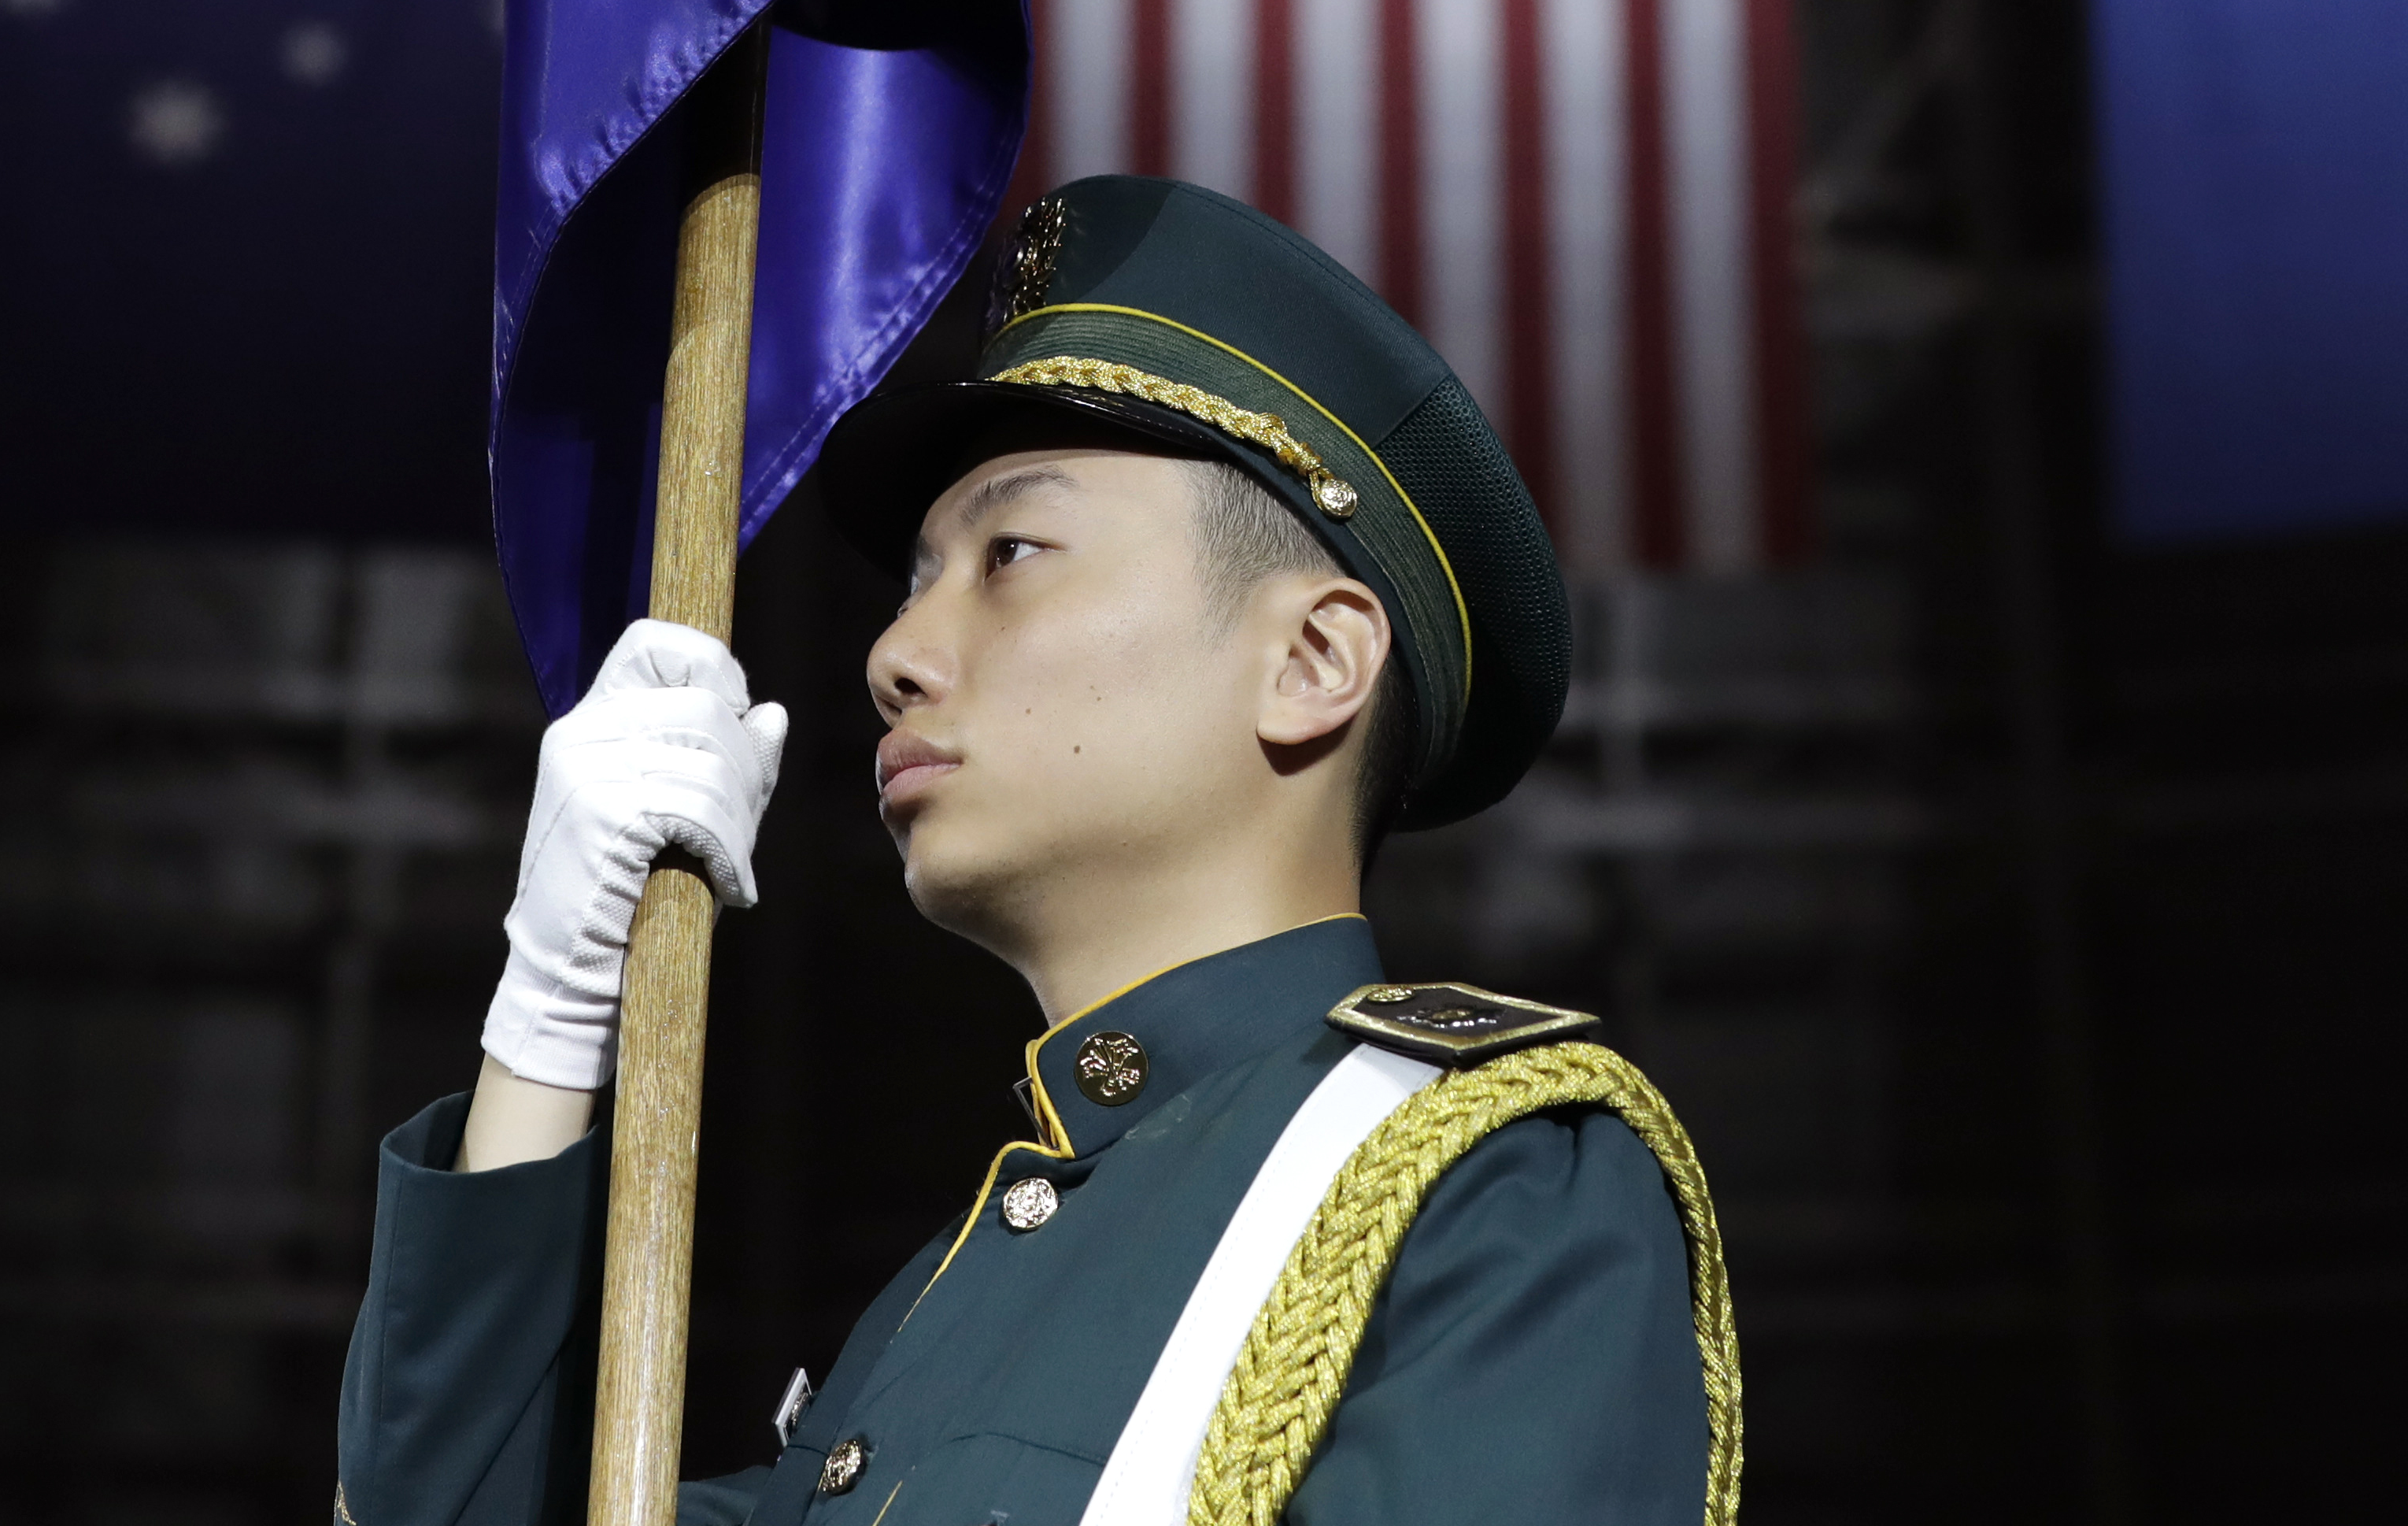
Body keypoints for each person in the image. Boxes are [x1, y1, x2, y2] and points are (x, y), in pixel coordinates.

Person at [335, 176, 1737, 1525]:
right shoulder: (943, 1301)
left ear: (1313, 661)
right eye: (913, 585)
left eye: (1011, 553)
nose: (892, 656)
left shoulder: (1497, 1188)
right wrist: (553, 1018)